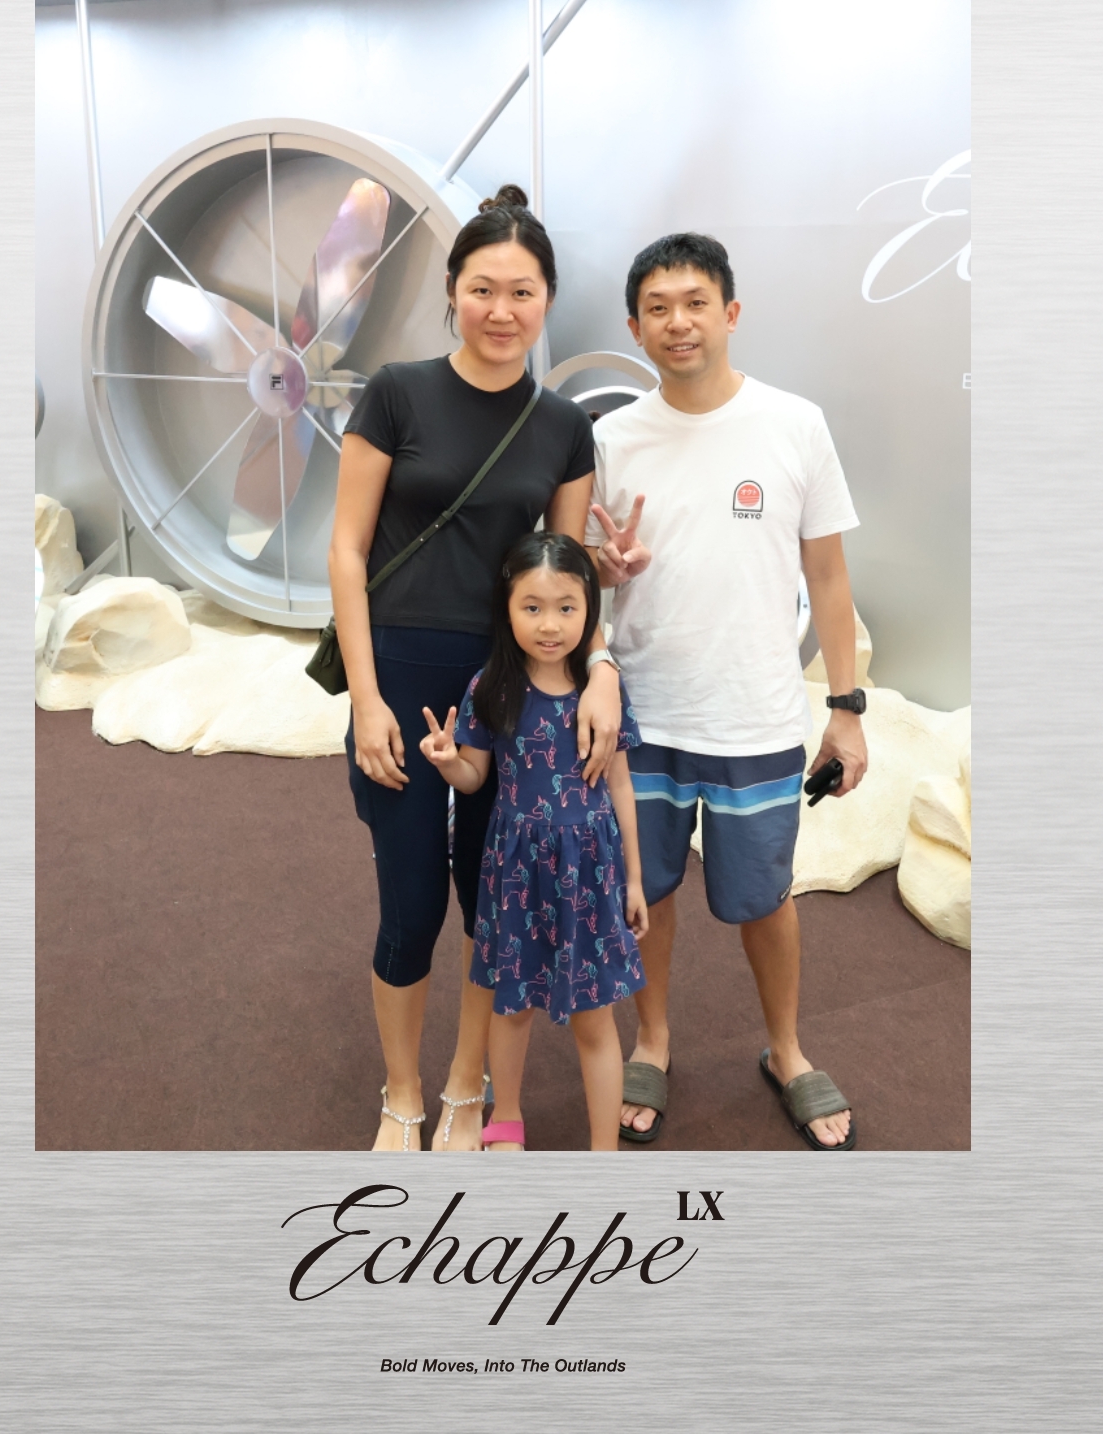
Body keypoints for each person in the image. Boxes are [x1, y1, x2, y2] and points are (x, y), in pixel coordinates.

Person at [328, 185, 627, 1152]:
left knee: (492, 904)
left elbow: (567, 582)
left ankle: (467, 1085)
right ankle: (402, 1091)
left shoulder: (563, 426)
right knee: (411, 900)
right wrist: (367, 699)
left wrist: (602, 662)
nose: (503, 311)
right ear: (453, 292)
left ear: (548, 301)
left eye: (523, 292)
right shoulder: (396, 392)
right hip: (402, 675)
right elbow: (346, 550)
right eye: (483, 289)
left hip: (508, 689)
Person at [587, 232, 868, 1151]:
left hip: (756, 714)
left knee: (765, 899)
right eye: (658, 308)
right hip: (646, 714)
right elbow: (583, 578)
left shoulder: (795, 424)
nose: (678, 322)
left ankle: (787, 1049)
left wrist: (847, 709)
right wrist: (605, 570)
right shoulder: (611, 439)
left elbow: (828, 577)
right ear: (635, 326)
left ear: (731, 313)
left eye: (695, 303)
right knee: (648, 889)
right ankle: (653, 1041)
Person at [419, 531, 648, 1152]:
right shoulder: (491, 687)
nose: (550, 624)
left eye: (567, 607)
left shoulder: (603, 694)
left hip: (589, 871)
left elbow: (621, 786)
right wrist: (446, 760)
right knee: (511, 1006)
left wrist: (634, 879)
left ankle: (604, 1154)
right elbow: (474, 778)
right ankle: (507, 1121)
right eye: (533, 607)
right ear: (508, 608)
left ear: (589, 609)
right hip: (516, 869)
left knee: (595, 1018)